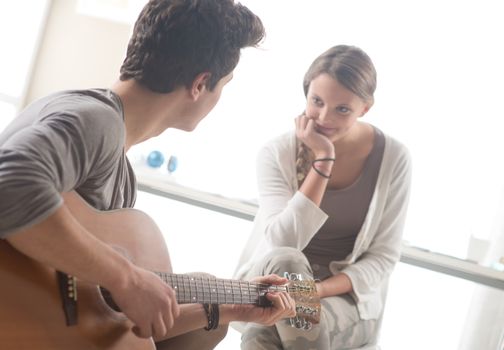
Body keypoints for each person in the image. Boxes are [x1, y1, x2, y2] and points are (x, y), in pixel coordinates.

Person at [0, 0, 296, 349]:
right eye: (225, 84)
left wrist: (234, 308)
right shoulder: (95, 120)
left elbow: (121, 322)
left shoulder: (119, 174)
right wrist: (125, 277)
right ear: (201, 83)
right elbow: (11, 183)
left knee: (201, 296)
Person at [233, 45, 412, 349]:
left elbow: (383, 257)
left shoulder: (393, 158)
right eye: (317, 101)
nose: (324, 118)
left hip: (343, 299)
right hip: (277, 285)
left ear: (364, 108)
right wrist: (323, 159)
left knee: (266, 332)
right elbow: (283, 243)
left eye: (342, 109)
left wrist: (316, 291)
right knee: (286, 260)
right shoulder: (275, 153)